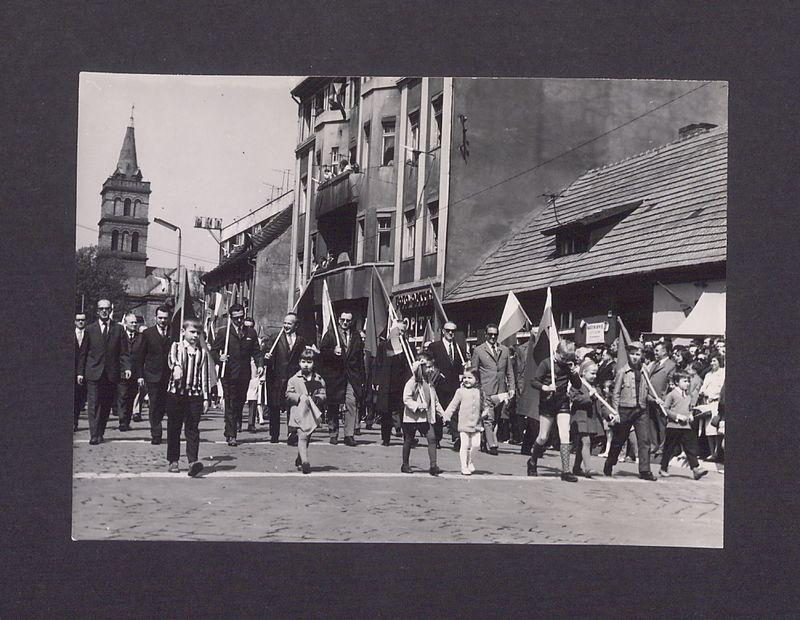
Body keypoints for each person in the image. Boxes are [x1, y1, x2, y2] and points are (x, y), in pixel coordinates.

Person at [76, 299, 131, 445]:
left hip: (111, 373)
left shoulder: (118, 329)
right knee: (93, 403)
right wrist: (80, 372)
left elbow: (124, 352)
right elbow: (83, 353)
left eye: (107, 308)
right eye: (101, 309)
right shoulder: (90, 329)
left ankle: (100, 432)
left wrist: (126, 368)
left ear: (110, 310)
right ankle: (94, 434)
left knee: (106, 404)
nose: (104, 311)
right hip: (93, 372)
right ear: (97, 311)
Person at [527, 340, 582, 481]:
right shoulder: (546, 363)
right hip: (547, 403)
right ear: (557, 352)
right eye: (562, 358)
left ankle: (566, 471)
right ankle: (532, 461)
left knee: (565, 434)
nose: (564, 361)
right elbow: (534, 381)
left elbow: (577, 385)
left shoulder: (568, 366)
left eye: (567, 359)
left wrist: (575, 374)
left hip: (562, 402)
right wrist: (545, 387)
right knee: (543, 437)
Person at [603, 342, 658, 480]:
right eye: (632, 354)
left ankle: (645, 470)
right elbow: (615, 393)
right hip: (625, 409)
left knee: (644, 439)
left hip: (641, 409)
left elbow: (646, 391)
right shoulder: (622, 371)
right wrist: (615, 412)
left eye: (637, 354)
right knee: (619, 439)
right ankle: (610, 462)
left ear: (642, 355)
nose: (634, 357)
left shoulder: (645, 370)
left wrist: (655, 400)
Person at [211, 304, 264, 447]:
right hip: (228, 373)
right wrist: (219, 358)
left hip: (244, 374)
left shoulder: (251, 333)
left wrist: (260, 365)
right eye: (236, 318)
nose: (239, 321)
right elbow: (214, 351)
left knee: (239, 403)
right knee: (230, 403)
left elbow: (257, 352)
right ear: (231, 318)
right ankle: (231, 434)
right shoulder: (224, 333)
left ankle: (230, 427)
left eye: (241, 317)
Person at [165, 318, 210, 477]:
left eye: (198, 333)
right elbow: (172, 361)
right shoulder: (176, 347)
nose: (195, 335)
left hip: (194, 396)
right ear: (183, 332)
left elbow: (204, 376)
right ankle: (173, 460)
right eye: (192, 332)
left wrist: (205, 398)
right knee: (174, 428)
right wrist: (176, 367)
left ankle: (193, 462)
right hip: (176, 395)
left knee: (192, 429)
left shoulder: (202, 352)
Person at [319, 311, 365, 446]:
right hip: (335, 375)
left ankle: (349, 434)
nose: (345, 323)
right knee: (333, 403)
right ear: (339, 319)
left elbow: (360, 358)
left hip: (351, 375)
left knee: (351, 402)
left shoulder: (356, 336)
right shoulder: (331, 334)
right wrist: (333, 352)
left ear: (352, 321)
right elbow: (321, 354)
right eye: (343, 320)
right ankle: (333, 432)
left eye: (348, 320)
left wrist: (362, 377)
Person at [469, 323, 515, 456]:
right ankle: (492, 445)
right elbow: (474, 371)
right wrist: (475, 388)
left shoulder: (504, 350)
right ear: (486, 335)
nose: (493, 337)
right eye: (490, 334)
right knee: (489, 417)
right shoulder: (478, 350)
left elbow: (509, 372)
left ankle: (484, 440)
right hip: (485, 389)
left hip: (501, 391)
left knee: (497, 418)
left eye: (495, 334)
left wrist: (512, 388)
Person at [264, 312, 309, 445]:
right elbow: (266, 354)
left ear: (296, 325)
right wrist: (266, 357)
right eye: (285, 323)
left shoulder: (301, 340)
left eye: (289, 323)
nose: (286, 326)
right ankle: (274, 434)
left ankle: (292, 434)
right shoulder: (275, 338)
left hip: (293, 379)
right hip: (276, 377)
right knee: (274, 407)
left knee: (293, 407)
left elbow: (303, 358)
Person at [443, 368, 496, 476]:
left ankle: (470, 461)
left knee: (476, 445)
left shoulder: (481, 392)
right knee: (464, 444)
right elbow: (453, 405)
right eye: (464, 377)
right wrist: (446, 416)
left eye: (470, 378)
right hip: (463, 423)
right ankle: (464, 466)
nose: (466, 380)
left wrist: (486, 412)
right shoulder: (460, 391)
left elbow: (486, 406)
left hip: (477, 424)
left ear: (477, 379)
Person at [659, 371, 708, 480]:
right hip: (673, 426)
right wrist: (677, 416)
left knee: (690, 447)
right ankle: (663, 467)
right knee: (669, 448)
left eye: (688, 381)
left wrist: (690, 415)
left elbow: (689, 409)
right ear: (677, 382)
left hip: (686, 427)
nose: (687, 383)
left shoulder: (688, 396)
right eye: (684, 381)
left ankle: (696, 469)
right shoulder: (671, 395)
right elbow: (665, 410)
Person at [401, 353, 445, 475]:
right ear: (421, 367)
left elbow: (435, 402)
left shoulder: (430, 384)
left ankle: (433, 465)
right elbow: (406, 399)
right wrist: (418, 406)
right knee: (409, 440)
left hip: (425, 418)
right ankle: (405, 464)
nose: (431, 370)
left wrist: (443, 414)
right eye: (429, 367)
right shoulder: (412, 382)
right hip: (412, 418)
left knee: (432, 438)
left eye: (432, 367)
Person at [285, 347, 327, 474]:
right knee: (302, 436)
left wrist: (318, 399)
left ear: (314, 364)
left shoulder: (318, 380)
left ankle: (299, 458)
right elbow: (288, 394)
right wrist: (299, 397)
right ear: (299, 362)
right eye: (303, 362)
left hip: (311, 414)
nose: (306, 365)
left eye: (309, 362)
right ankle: (305, 462)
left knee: (307, 437)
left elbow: (323, 394)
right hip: (298, 412)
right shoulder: (294, 379)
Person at [136, 305, 173, 445]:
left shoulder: (175, 332)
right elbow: (140, 355)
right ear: (155, 318)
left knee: (167, 405)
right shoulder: (148, 334)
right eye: (160, 318)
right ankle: (156, 433)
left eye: (165, 318)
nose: (163, 321)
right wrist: (140, 375)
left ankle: (169, 432)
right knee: (155, 404)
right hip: (153, 375)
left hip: (170, 376)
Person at [371, 325, 411, 446]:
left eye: (403, 331)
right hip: (387, 383)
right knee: (386, 412)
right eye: (399, 331)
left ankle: (408, 437)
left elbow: (411, 364)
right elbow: (377, 364)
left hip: (402, 384)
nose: (401, 334)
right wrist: (376, 381)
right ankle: (386, 438)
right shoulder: (384, 346)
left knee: (404, 411)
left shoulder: (408, 347)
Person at [427, 321, 464, 448]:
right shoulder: (434, 346)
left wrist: (462, 371)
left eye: (453, 331)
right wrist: (437, 373)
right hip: (439, 385)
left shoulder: (459, 347)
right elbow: (430, 364)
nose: (450, 333)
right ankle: (437, 438)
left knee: (455, 412)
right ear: (443, 331)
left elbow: (460, 365)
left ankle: (456, 438)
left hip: (454, 385)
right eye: (448, 330)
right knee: (439, 412)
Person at [568, 360, 608, 478]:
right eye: (592, 373)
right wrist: (588, 396)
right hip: (580, 418)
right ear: (584, 372)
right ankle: (588, 468)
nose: (594, 376)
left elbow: (602, 404)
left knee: (583, 444)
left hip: (591, 419)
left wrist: (608, 415)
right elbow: (575, 398)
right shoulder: (577, 384)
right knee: (586, 442)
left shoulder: (595, 387)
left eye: (596, 374)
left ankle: (576, 467)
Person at [646, 341, 675, 458]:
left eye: (657, 350)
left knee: (662, 424)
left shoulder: (671, 365)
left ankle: (662, 447)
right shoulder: (654, 364)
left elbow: (671, 383)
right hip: (651, 398)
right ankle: (654, 445)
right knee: (651, 422)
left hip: (661, 400)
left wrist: (665, 399)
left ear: (664, 351)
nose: (655, 352)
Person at [116, 313, 142, 432]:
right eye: (131, 322)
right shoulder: (120, 336)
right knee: (122, 396)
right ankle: (122, 421)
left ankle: (126, 421)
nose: (134, 324)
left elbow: (142, 356)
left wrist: (140, 375)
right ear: (125, 323)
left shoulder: (141, 337)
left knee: (131, 397)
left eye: (135, 322)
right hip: (121, 372)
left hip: (136, 373)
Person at [698, 354, 725, 462]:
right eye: (711, 361)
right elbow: (703, 387)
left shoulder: (722, 373)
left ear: (719, 361)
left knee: (716, 428)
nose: (712, 363)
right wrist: (702, 392)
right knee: (708, 429)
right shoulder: (708, 374)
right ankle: (712, 452)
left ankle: (717, 452)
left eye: (715, 361)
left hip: (717, 403)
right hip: (707, 402)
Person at [74, 312, 88, 432]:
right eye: (78, 320)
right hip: (72, 371)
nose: (80, 322)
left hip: (85, 371)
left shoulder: (88, 334)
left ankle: (75, 420)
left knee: (79, 398)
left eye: (83, 320)